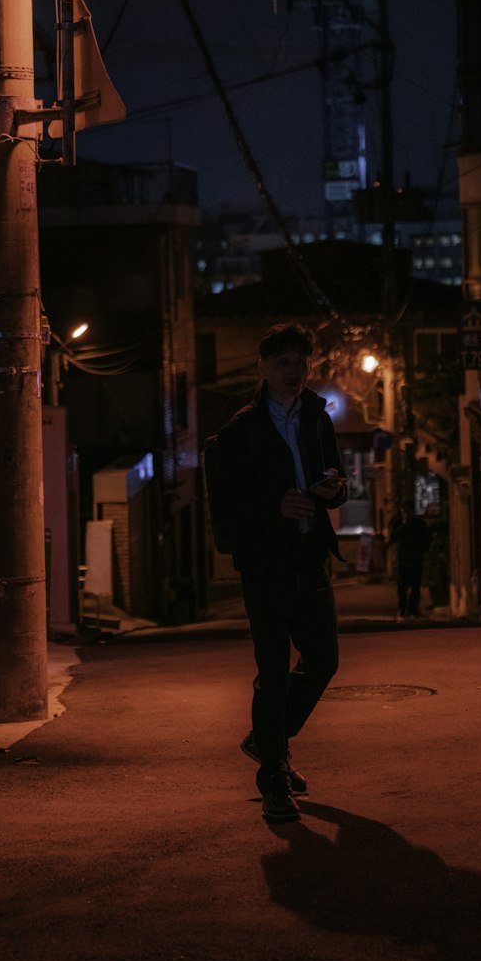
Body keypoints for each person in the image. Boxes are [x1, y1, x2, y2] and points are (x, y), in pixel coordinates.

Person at [207, 322, 346, 824]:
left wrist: (334, 490)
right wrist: (274, 508)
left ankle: (267, 742)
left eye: (302, 362)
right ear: (263, 367)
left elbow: (334, 475)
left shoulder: (316, 416)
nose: (295, 372)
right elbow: (224, 509)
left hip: (310, 555)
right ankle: (274, 778)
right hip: (266, 564)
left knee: (324, 659)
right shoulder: (240, 430)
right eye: (284, 362)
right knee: (271, 672)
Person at [388, 502, 430, 619]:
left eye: (408, 511)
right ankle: (402, 609)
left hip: (416, 559)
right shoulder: (399, 524)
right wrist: (403, 526)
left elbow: (426, 539)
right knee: (402, 587)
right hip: (403, 560)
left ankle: (413, 609)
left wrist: (421, 550)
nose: (406, 514)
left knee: (415, 587)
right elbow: (393, 538)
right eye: (404, 512)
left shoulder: (419, 524)